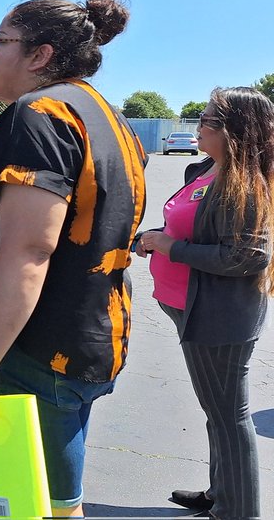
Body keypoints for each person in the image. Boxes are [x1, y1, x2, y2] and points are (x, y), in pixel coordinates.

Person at [0, 0, 147, 517]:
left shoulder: (38, 114)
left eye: (0, 42)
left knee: (31, 500)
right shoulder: (108, 116)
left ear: (39, 55)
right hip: (86, 332)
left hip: (33, 346)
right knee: (57, 493)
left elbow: (31, 248)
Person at [133, 87, 273, 520]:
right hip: (190, 308)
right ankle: (222, 493)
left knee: (230, 416)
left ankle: (240, 511)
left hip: (219, 317)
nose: (199, 125)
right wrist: (156, 238)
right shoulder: (207, 170)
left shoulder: (244, 184)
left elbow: (247, 256)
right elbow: (196, 230)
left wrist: (169, 247)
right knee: (218, 411)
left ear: (235, 131)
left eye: (209, 119)